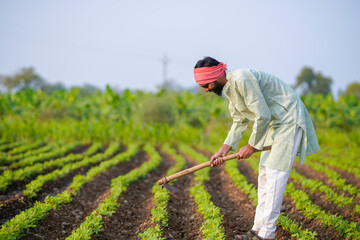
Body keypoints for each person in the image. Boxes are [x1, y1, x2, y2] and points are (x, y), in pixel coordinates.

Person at [193, 56, 320, 240]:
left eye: (206, 85)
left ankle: (267, 235)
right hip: (275, 123)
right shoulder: (230, 89)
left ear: (216, 75)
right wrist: (223, 150)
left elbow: (262, 115)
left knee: (275, 177)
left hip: (288, 119)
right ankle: (256, 231)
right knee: (265, 176)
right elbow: (239, 121)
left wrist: (251, 146)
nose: (205, 90)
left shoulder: (243, 79)